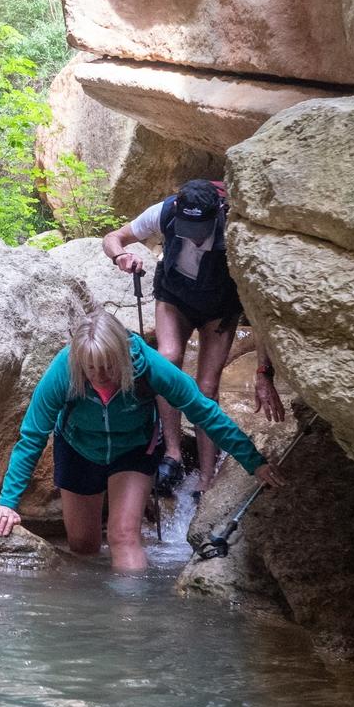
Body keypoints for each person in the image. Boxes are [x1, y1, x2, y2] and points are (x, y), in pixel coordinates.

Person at [0, 308, 282, 571]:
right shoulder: (63, 370)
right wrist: (7, 503)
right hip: (78, 449)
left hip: (134, 449)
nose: (100, 376)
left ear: (123, 355)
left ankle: (131, 613)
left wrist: (253, 462)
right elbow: (32, 437)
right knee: (82, 545)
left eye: (108, 366)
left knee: (124, 535)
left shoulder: (149, 366)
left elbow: (203, 411)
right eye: (91, 368)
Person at [101, 178, 278, 495]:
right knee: (167, 361)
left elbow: (260, 307)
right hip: (175, 298)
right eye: (187, 228)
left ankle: (207, 478)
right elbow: (114, 237)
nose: (193, 237)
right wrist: (120, 256)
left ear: (217, 214)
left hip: (219, 308)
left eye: (200, 230)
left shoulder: (234, 230)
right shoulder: (165, 212)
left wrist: (264, 372)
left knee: (206, 388)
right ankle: (173, 454)